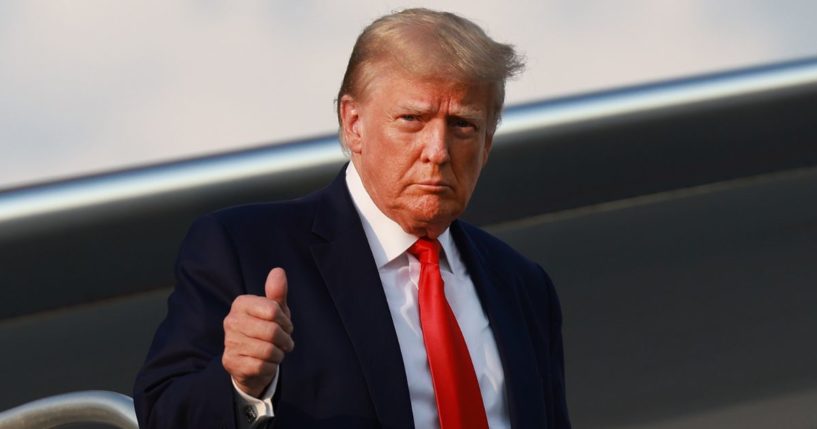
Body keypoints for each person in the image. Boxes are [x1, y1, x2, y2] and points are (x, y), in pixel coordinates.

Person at [134, 8, 570, 429]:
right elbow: (163, 416)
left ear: (488, 142)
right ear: (354, 124)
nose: (437, 150)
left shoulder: (524, 286)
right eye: (412, 119)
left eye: (463, 126)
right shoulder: (244, 249)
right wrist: (243, 386)